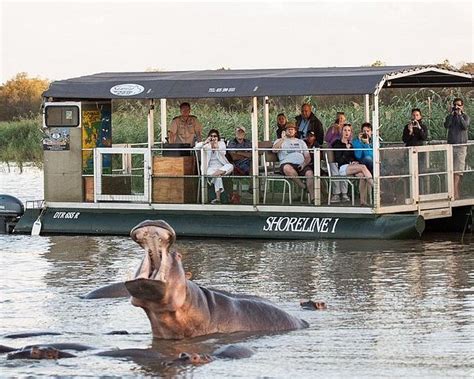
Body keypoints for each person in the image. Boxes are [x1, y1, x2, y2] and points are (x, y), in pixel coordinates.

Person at [333, 123, 373, 206]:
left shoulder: (351, 145)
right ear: (342, 132)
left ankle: (362, 201)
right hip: (342, 168)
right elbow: (339, 160)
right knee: (363, 167)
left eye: (349, 130)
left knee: (362, 175)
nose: (347, 132)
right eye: (345, 130)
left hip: (351, 167)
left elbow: (353, 157)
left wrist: (354, 161)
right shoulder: (337, 143)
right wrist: (346, 150)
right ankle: (375, 186)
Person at [272, 122, 315, 202]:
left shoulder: (301, 142)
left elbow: (308, 157)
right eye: (288, 129)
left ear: (295, 131)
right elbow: (274, 150)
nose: (290, 131)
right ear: (284, 131)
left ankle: (313, 198)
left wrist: (304, 164)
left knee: (309, 173)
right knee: (287, 168)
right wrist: (282, 139)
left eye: (292, 129)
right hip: (286, 163)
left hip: (301, 164)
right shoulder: (279, 141)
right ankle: (303, 187)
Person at [195, 129, 233, 204]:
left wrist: (217, 147)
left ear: (218, 137)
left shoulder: (221, 143)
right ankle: (218, 199)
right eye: (211, 136)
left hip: (221, 166)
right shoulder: (206, 145)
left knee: (230, 166)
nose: (213, 138)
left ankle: (211, 178)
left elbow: (224, 153)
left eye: (215, 136)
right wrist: (205, 142)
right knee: (218, 177)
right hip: (210, 167)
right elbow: (196, 147)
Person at [444, 98, 470, 200]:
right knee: (450, 170)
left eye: (458, 105)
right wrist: (452, 114)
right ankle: (454, 192)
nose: (456, 106)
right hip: (450, 146)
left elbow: (465, 126)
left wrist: (459, 115)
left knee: (458, 171)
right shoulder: (450, 117)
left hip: (461, 147)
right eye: (455, 105)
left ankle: (455, 192)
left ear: (462, 106)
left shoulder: (465, 116)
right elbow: (446, 125)